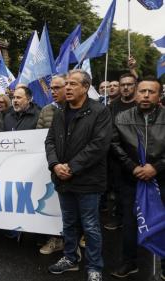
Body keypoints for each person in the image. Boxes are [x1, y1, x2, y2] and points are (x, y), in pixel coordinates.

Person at [45, 70, 112, 281]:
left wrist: (71, 168)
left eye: (73, 84)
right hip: (63, 180)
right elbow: (50, 142)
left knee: (90, 225)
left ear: (85, 87)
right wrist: (55, 165)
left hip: (89, 182)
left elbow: (98, 146)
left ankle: (94, 267)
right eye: (66, 84)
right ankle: (70, 258)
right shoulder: (59, 112)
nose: (67, 88)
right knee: (69, 223)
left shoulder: (100, 112)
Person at [110, 77, 165, 279]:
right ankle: (129, 262)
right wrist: (133, 167)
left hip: (161, 179)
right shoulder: (122, 117)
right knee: (131, 223)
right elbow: (114, 145)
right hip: (131, 180)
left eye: (151, 92)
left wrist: (156, 167)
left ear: (159, 95)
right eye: (142, 91)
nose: (146, 95)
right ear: (136, 93)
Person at [36, 75, 67, 255]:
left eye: (57, 88)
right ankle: (55, 238)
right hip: (51, 164)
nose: (53, 91)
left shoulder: (76, 110)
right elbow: (39, 134)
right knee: (52, 203)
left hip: (71, 166)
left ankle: (74, 238)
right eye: (51, 88)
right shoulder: (46, 110)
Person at [104, 73, 138, 231]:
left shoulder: (141, 104)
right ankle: (120, 217)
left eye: (129, 84)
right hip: (117, 157)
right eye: (123, 84)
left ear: (135, 86)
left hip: (139, 157)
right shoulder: (113, 106)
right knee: (119, 190)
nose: (125, 87)